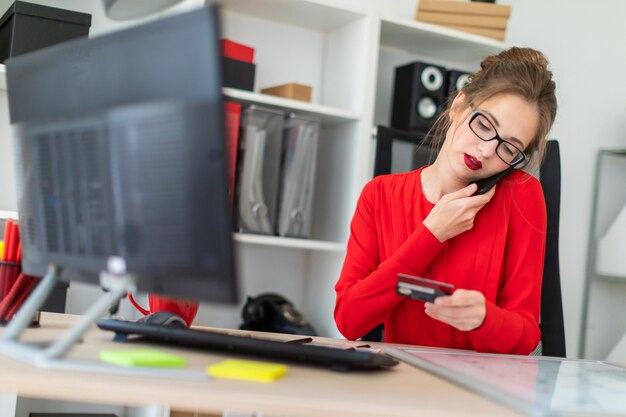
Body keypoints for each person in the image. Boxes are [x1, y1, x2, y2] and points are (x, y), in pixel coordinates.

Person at [334, 47, 557, 355]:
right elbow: (349, 320)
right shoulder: (379, 195)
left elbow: (525, 336)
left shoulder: (521, 195)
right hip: (403, 383)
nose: (487, 151)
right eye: (484, 125)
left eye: (509, 147)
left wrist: (484, 319)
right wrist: (430, 235)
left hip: (482, 389)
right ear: (459, 105)